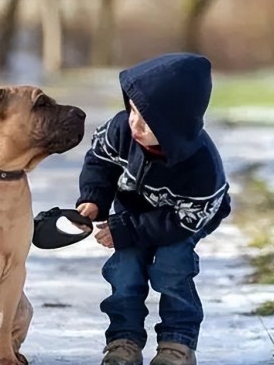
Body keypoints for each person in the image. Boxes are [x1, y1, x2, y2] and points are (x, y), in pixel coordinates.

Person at [75, 53, 231, 365]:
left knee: (172, 267)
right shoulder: (121, 131)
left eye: (147, 119)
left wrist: (126, 231)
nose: (134, 121)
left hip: (184, 217)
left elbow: (186, 219)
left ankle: (177, 343)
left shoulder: (201, 166)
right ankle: (123, 341)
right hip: (134, 209)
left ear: (175, 124)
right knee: (125, 269)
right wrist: (94, 198)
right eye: (132, 109)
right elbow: (99, 161)